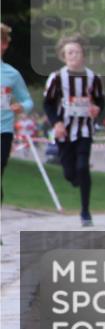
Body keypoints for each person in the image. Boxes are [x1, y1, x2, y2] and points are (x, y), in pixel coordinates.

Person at [43, 34, 105, 226]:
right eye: (69, 52)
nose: (73, 55)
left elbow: (100, 100)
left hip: (84, 130)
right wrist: (57, 123)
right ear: (64, 55)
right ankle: (76, 179)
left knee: (82, 167)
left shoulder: (93, 78)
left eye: (77, 52)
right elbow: (48, 104)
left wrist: (97, 109)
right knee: (70, 173)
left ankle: (85, 212)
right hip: (64, 131)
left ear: (83, 55)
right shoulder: (56, 78)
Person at [1, 23, 34, 199]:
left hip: (3, 130)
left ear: (4, 44)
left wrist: (22, 107)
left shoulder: (11, 74)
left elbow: (28, 100)